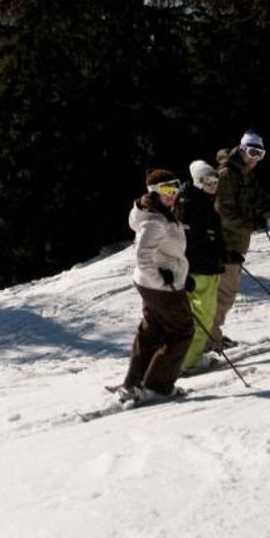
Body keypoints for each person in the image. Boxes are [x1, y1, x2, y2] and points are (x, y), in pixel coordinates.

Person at [211, 131, 270, 348]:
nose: (255, 159)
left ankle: (211, 335)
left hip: (235, 244)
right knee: (223, 294)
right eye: (252, 152)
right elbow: (223, 213)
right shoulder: (227, 175)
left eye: (260, 154)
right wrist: (251, 224)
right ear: (242, 149)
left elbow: (260, 201)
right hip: (223, 246)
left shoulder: (243, 173)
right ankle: (209, 340)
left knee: (223, 295)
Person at [117, 168, 194, 405]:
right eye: (166, 190)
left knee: (152, 331)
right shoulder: (154, 220)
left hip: (151, 284)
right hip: (159, 288)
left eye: (175, 188)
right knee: (182, 331)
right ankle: (157, 387)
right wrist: (162, 280)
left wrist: (181, 275)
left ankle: (134, 384)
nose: (173, 195)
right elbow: (143, 257)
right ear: (154, 193)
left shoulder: (158, 212)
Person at [176, 158, 227, 375]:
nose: (213, 185)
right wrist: (185, 271)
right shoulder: (190, 205)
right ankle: (189, 361)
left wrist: (225, 253)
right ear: (198, 182)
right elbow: (186, 242)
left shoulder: (204, 201)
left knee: (201, 314)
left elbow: (210, 236)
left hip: (207, 266)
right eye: (208, 181)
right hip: (199, 269)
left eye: (216, 181)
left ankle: (187, 357)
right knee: (203, 315)